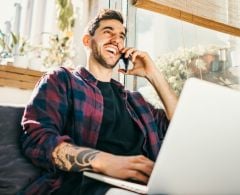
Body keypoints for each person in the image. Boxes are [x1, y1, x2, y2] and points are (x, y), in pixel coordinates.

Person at [20, 9, 178, 195]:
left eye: (121, 36)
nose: (116, 39)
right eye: (108, 31)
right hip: (84, 187)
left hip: (146, 188)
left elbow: (180, 130)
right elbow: (37, 140)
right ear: (87, 41)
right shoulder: (63, 79)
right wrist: (104, 162)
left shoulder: (136, 102)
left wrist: (154, 74)